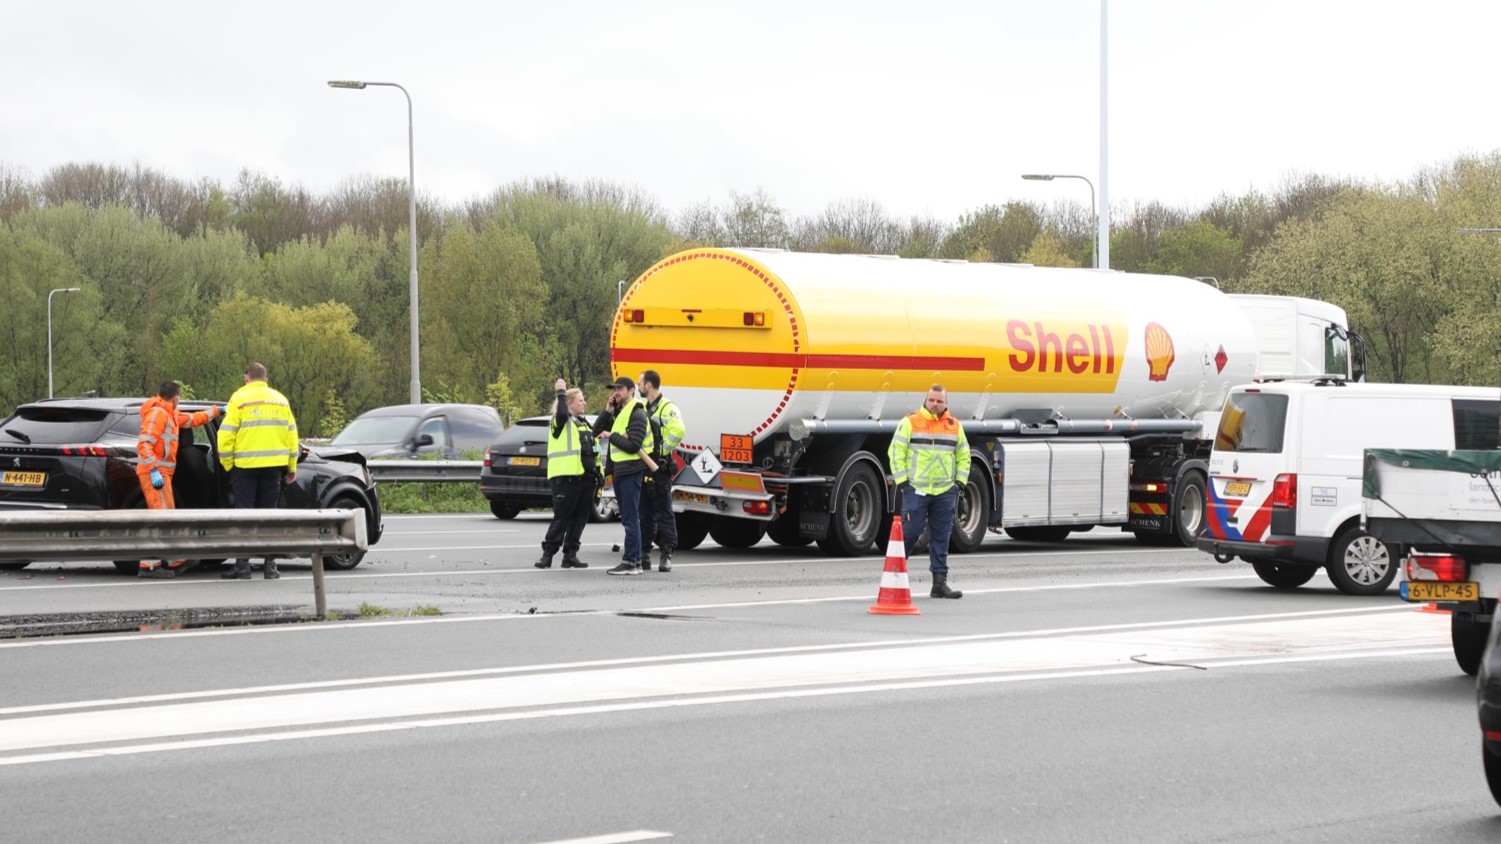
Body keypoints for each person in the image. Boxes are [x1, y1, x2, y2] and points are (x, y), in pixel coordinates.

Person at [217, 362, 299, 580]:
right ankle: (270, 566)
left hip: (245, 467)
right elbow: (292, 435)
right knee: (269, 515)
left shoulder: (239, 398)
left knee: (245, 516)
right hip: (273, 468)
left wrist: (227, 464)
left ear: (247, 378)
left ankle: (242, 566)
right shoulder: (281, 400)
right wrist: (292, 466)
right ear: (266, 379)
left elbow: (225, 434)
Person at [888, 385, 969, 599]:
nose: (935, 404)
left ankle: (939, 583)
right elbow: (895, 451)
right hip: (916, 488)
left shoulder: (954, 426)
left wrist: (959, 483)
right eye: (932, 400)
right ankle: (893, 576)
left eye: (939, 401)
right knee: (911, 532)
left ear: (946, 403)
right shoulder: (910, 422)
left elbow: (964, 456)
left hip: (944, 491)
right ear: (925, 400)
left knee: (942, 536)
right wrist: (903, 482)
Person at [135, 381, 221, 578]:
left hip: (160, 473)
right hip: (154, 474)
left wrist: (217, 411)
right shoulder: (159, 414)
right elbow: (145, 443)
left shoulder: (169, 413)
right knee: (160, 518)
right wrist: (154, 470)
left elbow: (192, 419)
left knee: (165, 516)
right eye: (179, 397)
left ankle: (172, 559)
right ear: (175, 398)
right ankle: (150, 565)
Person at [535, 378, 598, 570]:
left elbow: (592, 452)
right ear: (569, 403)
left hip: (585, 479)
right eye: (580, 400)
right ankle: (547, 555)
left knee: (580, 519)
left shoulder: (585, 424)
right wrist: (561, 392)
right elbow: (562, 414)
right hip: (566, 478)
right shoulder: (560, 421)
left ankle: (570, 555)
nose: (584, 403)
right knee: (562, 518)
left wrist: (598, 474)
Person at [593, 375, 653, 576]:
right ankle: (634, 562)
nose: (616, 393)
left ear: (631, 391)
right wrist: (607, 410)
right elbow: (596, 431)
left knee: (630, 518)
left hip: (631, 470)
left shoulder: (636, 414)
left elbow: (633, 445)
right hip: (620, 470)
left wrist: (612, 436)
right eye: (614, 389)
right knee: (628, 517)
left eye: (620, 389)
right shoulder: (620, 412)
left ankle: (630, 562)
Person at [638, 369, 685, 573]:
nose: (639, 387)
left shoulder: (667, 407)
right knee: (645, 513)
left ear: (648, 385)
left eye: (640, 383)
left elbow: (678, 431)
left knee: (664, 512)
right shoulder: (643, 408)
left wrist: (660, 451)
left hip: (660, 468)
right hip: (645, 468)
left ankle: (666, 554)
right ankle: (645, 553)